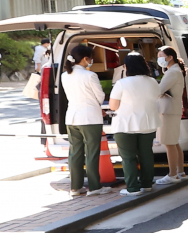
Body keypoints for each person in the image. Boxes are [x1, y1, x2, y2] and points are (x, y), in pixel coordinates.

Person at [109, 53, 161, 196]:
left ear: (126, 67)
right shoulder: (153, 82)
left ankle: (132, 188)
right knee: (146, 155)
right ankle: (147, 184)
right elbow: (157, 98)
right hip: (148, 123)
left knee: (128, 157)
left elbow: (113, 106)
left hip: (126, 125)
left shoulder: (122, 83)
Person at [61, 44, 108, 197]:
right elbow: (100, 96)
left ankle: (75, 187)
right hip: (90, 117)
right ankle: (94, 187)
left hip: (71, 117)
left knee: (75, 152)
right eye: (91, 58)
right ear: (86, 58)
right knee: (92, 152)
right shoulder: (90, 75)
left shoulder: (64, 75)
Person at [153, 46, 187, 185]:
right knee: (174, 142)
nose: (159, 59)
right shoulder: (174, 71)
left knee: (169, 143)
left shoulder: (172, 72)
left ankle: (172, 174)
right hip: (172, 110)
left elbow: (159, 90)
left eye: (161, 55)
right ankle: (180, 171)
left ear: (170, 57)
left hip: (168, 111)